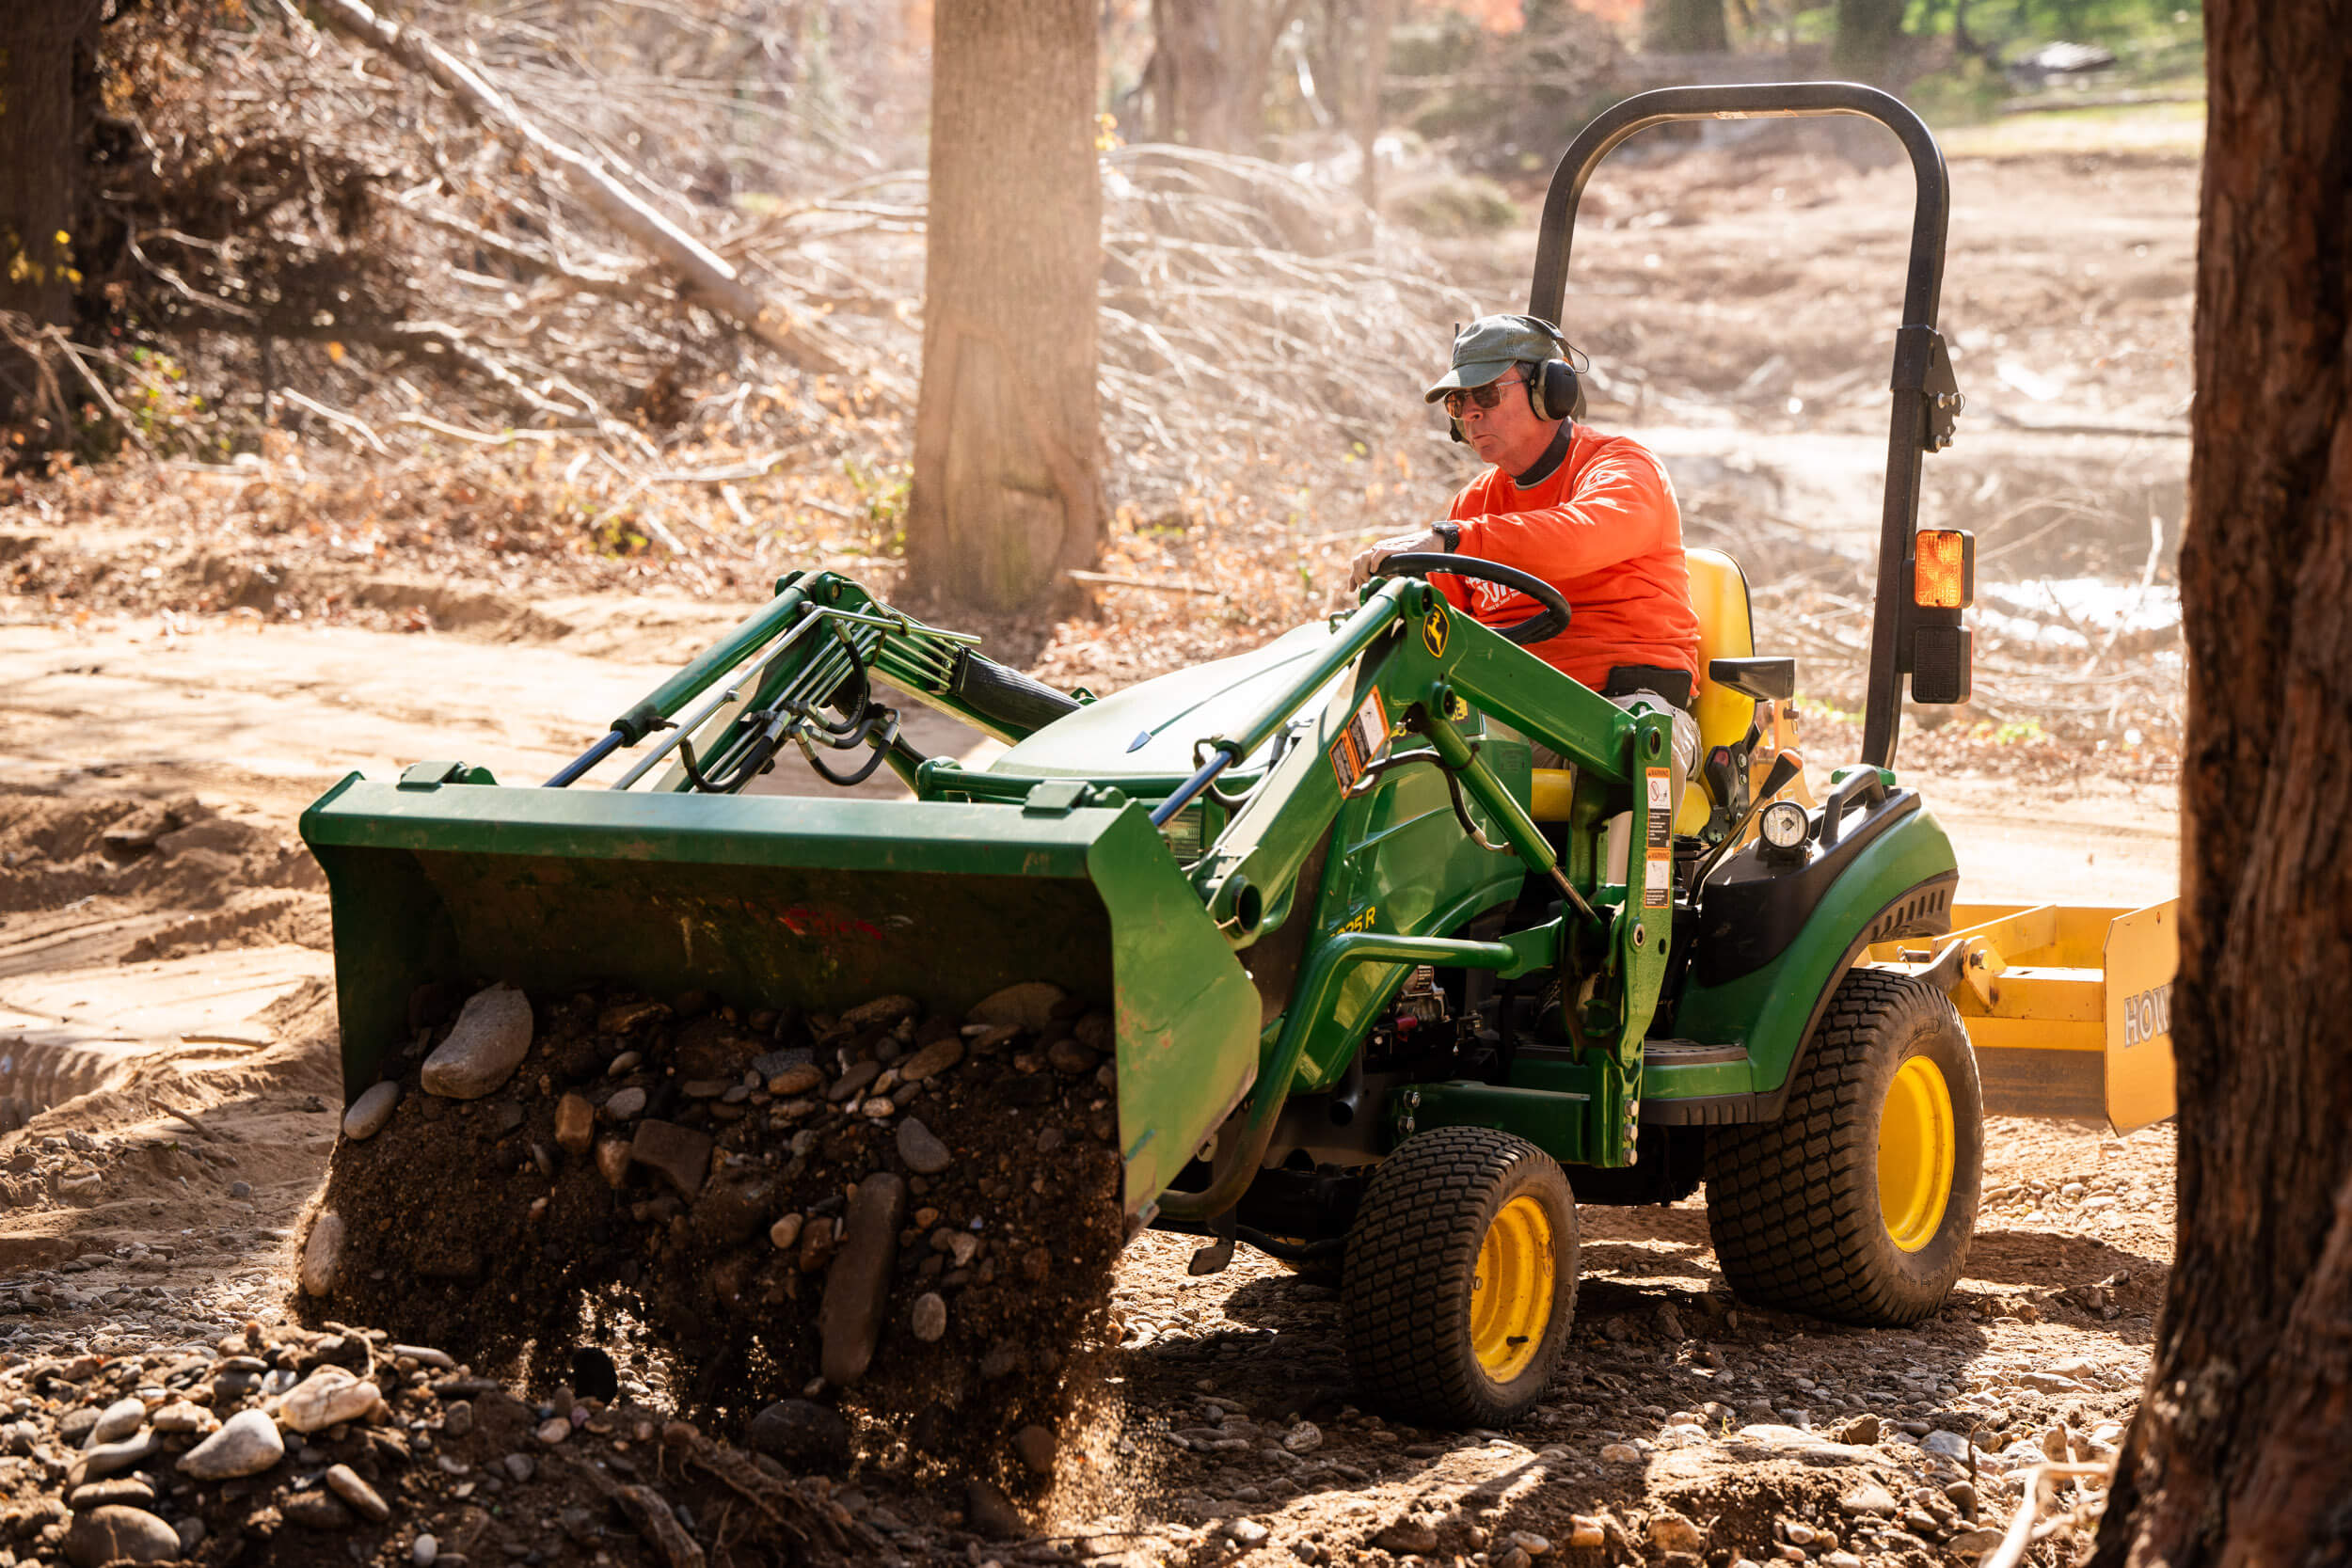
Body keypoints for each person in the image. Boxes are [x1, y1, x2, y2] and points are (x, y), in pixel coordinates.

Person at [1349, 313, 1702, 809]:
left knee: (1637, 753)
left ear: (1550, 391)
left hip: (1624, 703)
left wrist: (1451, 541)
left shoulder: (1622, 467)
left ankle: (1631, 890)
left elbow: (1580, 538)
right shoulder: (1471, 506)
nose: (1470, 414)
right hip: (1514, 712)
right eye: (1458, 401)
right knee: (1376, 753)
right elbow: (1436, 630)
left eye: (1487, 395)